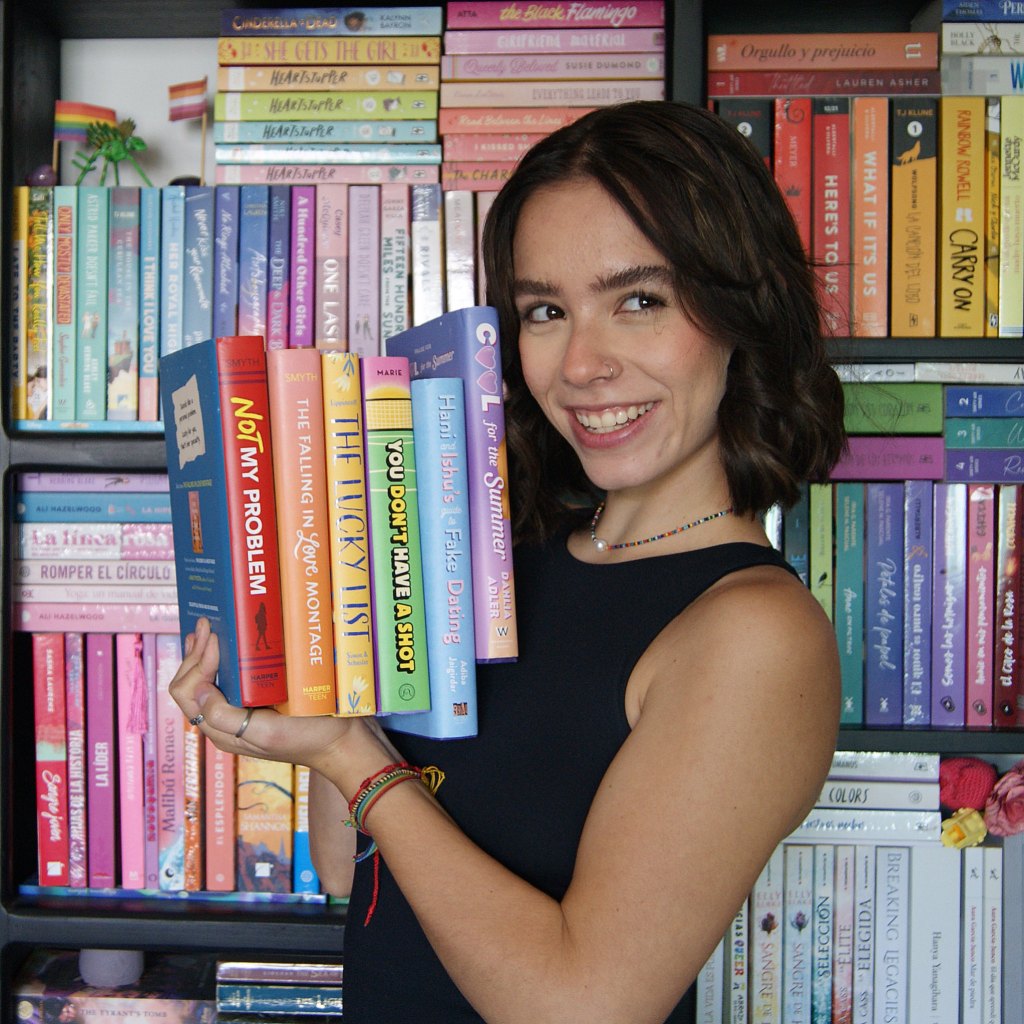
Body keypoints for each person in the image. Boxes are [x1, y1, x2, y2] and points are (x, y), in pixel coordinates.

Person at [170, 100, 846, 1024]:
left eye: (639, 301)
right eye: (546, 311)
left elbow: (586, 1007)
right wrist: (319, 665)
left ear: (741, 311)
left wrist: (352, 759)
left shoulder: (756, 634)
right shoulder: (496, 557)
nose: (582, 364)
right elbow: (348, 870)